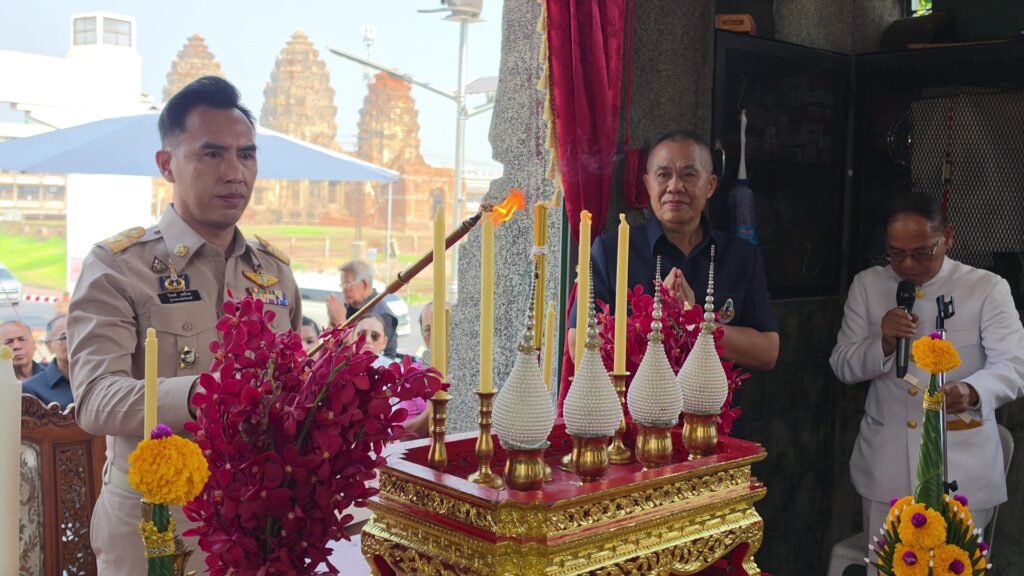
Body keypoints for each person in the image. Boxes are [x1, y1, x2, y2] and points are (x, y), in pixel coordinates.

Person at [67, 76, 301, 575]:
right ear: (166, 164)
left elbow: (295, 383)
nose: (235, 172)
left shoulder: (274, 271)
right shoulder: (119, 266)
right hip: (157, 525)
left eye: (246, 155)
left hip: (258, 523)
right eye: (212, 154)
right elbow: (95, 399)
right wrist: (204, 394)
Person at [830, 192, 1024, 567]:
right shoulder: (868, 285)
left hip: (963, 470)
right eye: (895, 253)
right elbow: (843, 365)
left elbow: (1014, 365)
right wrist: (883, 343)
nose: (906, 264)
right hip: (886, 467)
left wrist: (972, 390)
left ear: (947, 237)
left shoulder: (985, 288)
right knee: (887, 569)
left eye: (921, 253)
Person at [567, 130, 779, 371]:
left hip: (712, 396)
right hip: (632, 395)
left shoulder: (741, 256)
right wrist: (655, 320)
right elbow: (578, 344)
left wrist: (696, 323)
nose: (675, 186)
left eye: (689, 174)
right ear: (648, 185)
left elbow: (767, 351)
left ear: (710, 186)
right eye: (663, 175)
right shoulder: (609, 252)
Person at [326, 260, 400, 357]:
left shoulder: (382, 314)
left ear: (364, 284)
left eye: (347, 284)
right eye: (342, 285)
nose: (344, 290)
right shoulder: (348, 307)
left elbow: (384, 358)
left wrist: (341, 324)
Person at [22, 314, 73, 409]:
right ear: (49, 345)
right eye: (65, 337)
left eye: (81, 336)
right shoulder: (31, 389)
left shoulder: (98, 377)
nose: (75, 341)